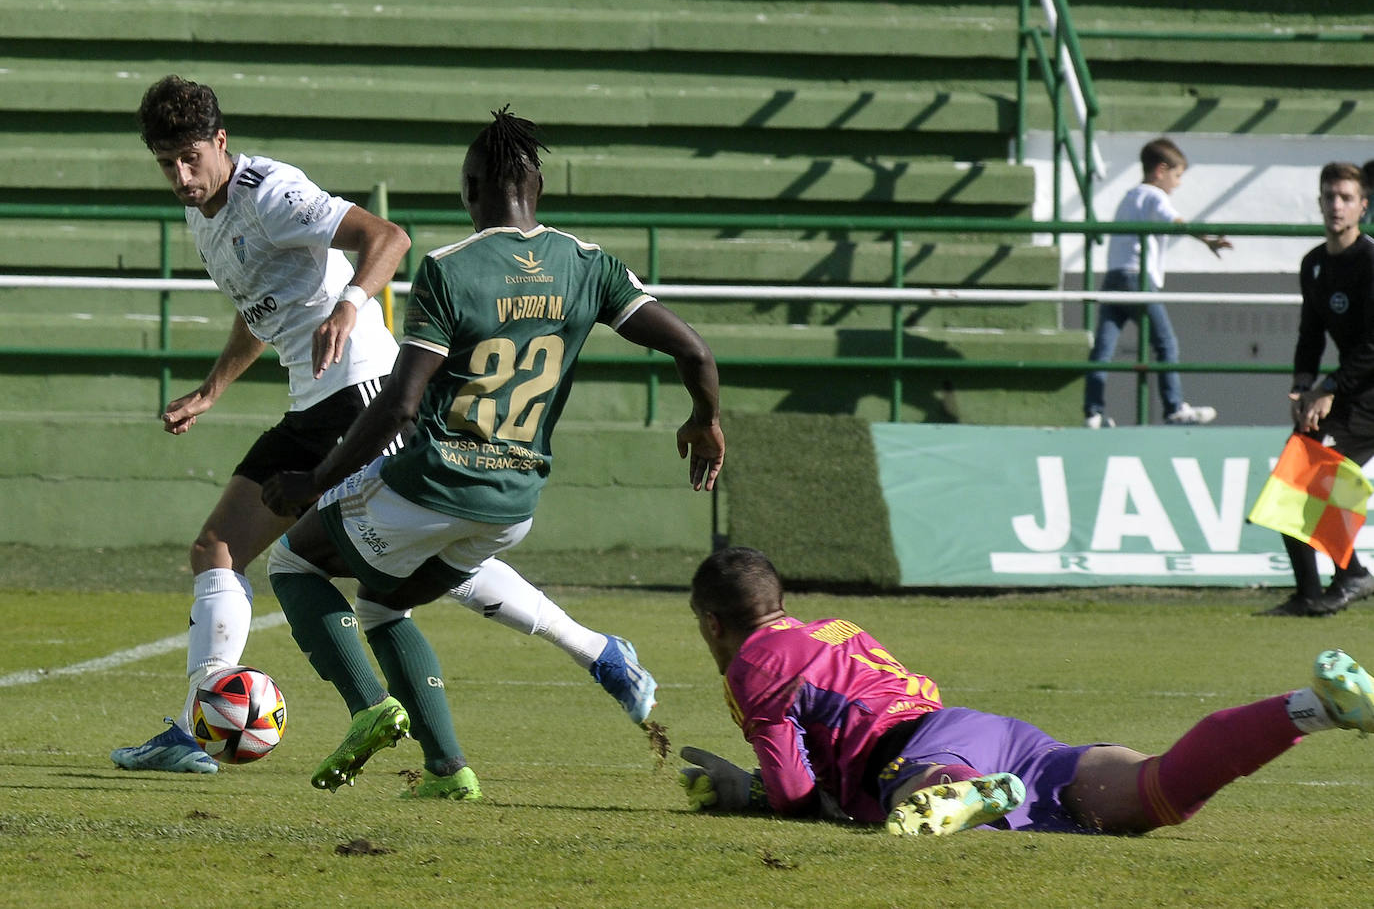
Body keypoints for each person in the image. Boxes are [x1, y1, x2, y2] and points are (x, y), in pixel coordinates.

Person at [111, 76, 660, 780]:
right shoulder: (205, 215)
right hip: (316, 402)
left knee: (404, 571)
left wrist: (349, 302)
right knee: (219, 548)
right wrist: (213, 390)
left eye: (191, 157)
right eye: (167, 163)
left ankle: (587, 656)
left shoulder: (271, 192)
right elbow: (261, 308)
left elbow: (387, 237)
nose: (182, 177)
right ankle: (201, 720)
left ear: (221, 142)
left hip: (363, 393)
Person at [260, 106, 724, 797]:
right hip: (513, 504)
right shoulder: (589, 265)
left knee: (292, 560)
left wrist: (318, 477)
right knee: (385, 606)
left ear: (471, 188)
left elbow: (400, 403)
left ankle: (370, 708)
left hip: (435, 480)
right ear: (536, 187)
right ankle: (447, 772)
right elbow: (693, 348)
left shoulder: (451, 269)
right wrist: (705, 419)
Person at [677, 546, 1374, 836]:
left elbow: (800, 795)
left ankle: (957, 790)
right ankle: (1310, 708)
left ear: (713, 624)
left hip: (922, 752)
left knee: (914, 790)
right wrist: (751, 787)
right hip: (992, 734)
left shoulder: (753, 665)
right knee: (1153, 794)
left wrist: (762, 795)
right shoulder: (836, 628)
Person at [1264, 162, 1374, 617]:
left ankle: (1352, 576)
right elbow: (1310, 334)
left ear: (1362, 207)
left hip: (1369, 392)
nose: (1336, 205)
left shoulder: (1371, 262)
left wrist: (1329, 387)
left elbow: (1372, 343)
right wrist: (1302, 386)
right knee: (1294, 471)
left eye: (1346, 197)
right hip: (1349, 387)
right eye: (1329, 196)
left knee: (1318, 479)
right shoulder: (1313, 265)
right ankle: (1308, 593)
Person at [1083, 137, 1231, 429]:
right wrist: (1207, 240)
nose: (1178, 184)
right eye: (1177, 176)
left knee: (1103, 348)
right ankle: (1174, 407)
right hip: (1137, 279)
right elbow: (1175, 222)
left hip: (1113, 278)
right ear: (1161, 170)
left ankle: (1093, 411)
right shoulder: (1154, 196)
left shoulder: (1129, 196)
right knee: (1165, 344)